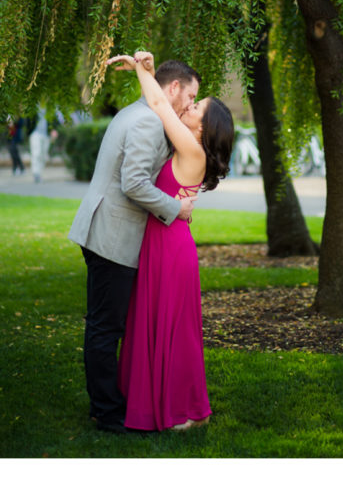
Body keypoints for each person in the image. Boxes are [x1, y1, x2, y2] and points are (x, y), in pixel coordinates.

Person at [68, 58, 200, 433]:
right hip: (111, 235)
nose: (190, 105)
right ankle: (107, 413)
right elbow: (135, 184)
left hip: (106, 230)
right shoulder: (145, 121)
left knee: (107, 325)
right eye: (189, 96)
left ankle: (110, 403)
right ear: (172, 88)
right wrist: (177, 208)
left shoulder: (142, 111)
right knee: (105, 329)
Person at [107, 50, 234, 432]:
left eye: (198, 108)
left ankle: (182, 410)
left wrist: (143, 71)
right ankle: (163, 405)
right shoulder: (187, 147)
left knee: (173, 330)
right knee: (152, 323)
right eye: (193, 101)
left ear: (203, 127)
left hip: (170, 247)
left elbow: (161, 102)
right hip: (163, 242)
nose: (190, 107)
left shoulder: (193, 149)